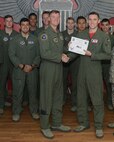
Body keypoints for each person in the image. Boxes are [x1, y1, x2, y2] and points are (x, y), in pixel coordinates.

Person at [73, 12, 111, 138]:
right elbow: (75, 52)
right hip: (82, 71)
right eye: (90, 19)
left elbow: (108, 55)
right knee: (81, 98)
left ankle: (99, 126)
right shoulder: (81, 34)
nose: (92, 21)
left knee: (97, 100)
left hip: (94, 72)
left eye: (95, 19)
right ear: (88, 21)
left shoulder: (103, 36)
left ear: (98, 21)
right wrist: (67, 55)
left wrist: (92, 55)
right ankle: (84, 123)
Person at [39, 10, 71, 139]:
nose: (55, 19)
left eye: (58, 17)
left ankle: (57, 123)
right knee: (46, 98)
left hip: (58, 68)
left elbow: (60, 49)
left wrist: (68, 47)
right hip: (48, 68)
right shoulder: (44, 35)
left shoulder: (59, 34)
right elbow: (44, 53)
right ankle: (45, 126)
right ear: (48, 19)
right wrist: (60, 56)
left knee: (58, 96)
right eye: (53, 17)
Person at [9, 18, 40, 122]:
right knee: (18, 92)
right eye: (23, 25)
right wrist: (21, 66)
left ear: (29, 26)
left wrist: (33, 65)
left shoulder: (35, 39)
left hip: (32, 70)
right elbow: (11, 55)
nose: (26, 26)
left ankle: (34, 111)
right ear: (20, 26)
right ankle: (16, 112)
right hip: (19, 70)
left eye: (27, 24)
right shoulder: (15, 39)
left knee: (33, 92)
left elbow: (38, 55)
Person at [0, 15, 18, 115]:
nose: (9, 23)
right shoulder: (0, 34)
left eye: (11, 21)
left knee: (16, 86)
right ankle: (1, 105)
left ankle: (15, 106)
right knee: (1, 85)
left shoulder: (16, 34)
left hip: (14, 64)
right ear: (4, 23)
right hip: (3, 63)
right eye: (7, 21)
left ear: (13, 22)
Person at [62, 17, 78, 112]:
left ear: (74, 24)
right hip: (63, 61)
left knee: (75, 82)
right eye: (69, 23)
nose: (71, 24)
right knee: (62, 81)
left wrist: (71, 57)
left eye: (72, 23)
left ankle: (75, 102)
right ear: (66, 24)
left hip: (74, 61)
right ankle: (63, 99)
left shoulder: (77, 34)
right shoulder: (61, 34)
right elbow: (59, 47)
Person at [100, 18, 114, 110]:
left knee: (109, 85)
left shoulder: (113, 37)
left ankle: (110, 102)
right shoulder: (98, 36)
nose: (105, 27)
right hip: (98, 64)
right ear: (101, 26)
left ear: (109, 26)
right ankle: (95, 103)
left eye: (107, 25)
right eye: (103, 25)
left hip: (109, 65)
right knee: (96, 85)